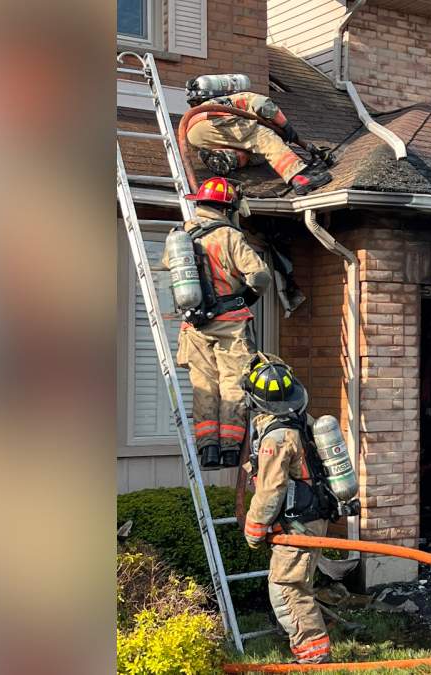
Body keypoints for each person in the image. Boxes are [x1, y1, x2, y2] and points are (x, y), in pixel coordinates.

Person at [172, 177, 272, 468]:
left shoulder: (182, 236)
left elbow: (170, 268)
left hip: (194, 325)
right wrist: (246, 297)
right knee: (232, 383)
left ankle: (208, 449)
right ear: (227, 208)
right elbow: (260, 276)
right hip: (230, 322)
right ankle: (230, 448)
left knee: (203, 385)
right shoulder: (229, 236)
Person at [241, 356, 332, 665]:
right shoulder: (301, 420)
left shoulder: (276, 437)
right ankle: (312, 652)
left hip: (298, 525)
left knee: (287, 587)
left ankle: (314, 658)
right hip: (310, 518)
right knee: (296, 584)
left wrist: (254, 529)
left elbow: (271, 490)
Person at [183, 74, 331, 196]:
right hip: (217, 120)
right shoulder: (234, 98)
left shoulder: (199, 108)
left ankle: (228, 158)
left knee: (254, 154)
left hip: (193, 133)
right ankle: (300, 177)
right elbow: (263, 104)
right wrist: (285, 126)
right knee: (264, 138)